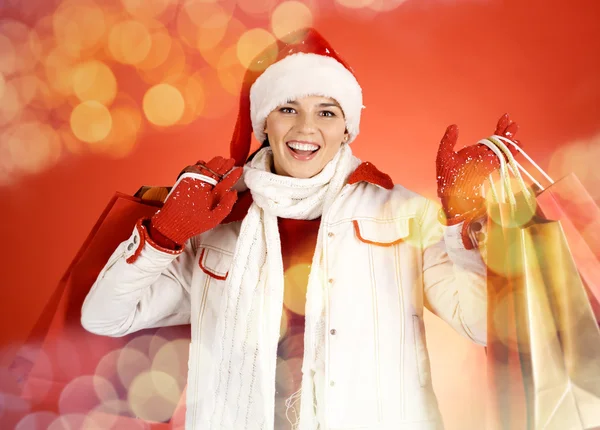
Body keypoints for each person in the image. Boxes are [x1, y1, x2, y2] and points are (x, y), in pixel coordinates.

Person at [81, 28, 520, 430]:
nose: (306, 128)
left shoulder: (403, 213)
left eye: (326, 112)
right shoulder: (216, 220)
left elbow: (483, 327)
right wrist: (164, 235)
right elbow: (105, 316)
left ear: (347, 127)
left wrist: (465, 221)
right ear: (264, 124)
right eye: (288, 108)